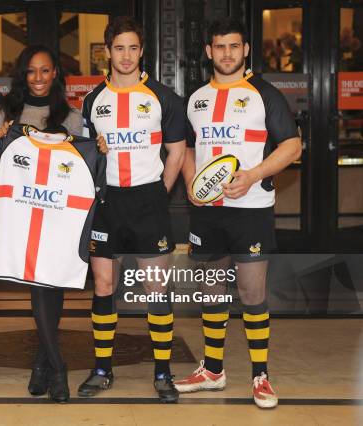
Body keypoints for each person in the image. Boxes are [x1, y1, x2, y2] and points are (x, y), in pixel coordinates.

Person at [175, 18, 302, 409]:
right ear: (209, 52)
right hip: (209, 214)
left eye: (234, 46)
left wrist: (254, 176)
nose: (226, 53)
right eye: (219, 47)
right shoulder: (196, 99)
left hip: (251, 210)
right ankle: (213, 370)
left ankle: (260, 376)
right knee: (211, 288)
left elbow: (293, 146)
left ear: (245, 50)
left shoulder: (265, 94)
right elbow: (187, 148)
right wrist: (193, 182)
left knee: (251, 292)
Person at [78, 16, 186, 402]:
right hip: (107, 204)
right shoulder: (93, 101)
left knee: (156, 289)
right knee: (104, 286)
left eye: (133, 48)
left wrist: (162, 192)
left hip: (148, 202)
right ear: (106, 52)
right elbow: (88, 155)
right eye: (118, 48)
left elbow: (176, 150)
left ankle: (163, 373)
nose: (126, 56)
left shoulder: (162, 96)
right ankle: (102, 369)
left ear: (142, 51)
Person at [0, 44, 107, 403]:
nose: (38, 78)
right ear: (22, 75)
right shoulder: (5, 115)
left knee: (51, 285)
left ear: (55, 73)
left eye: (45, 71)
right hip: (23, 214)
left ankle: (43, 364)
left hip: (59, 218)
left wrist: (97, 150)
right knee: (39, 286)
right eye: (31, 71)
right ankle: (57, 367)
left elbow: (82, 171)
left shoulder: (71, 117)